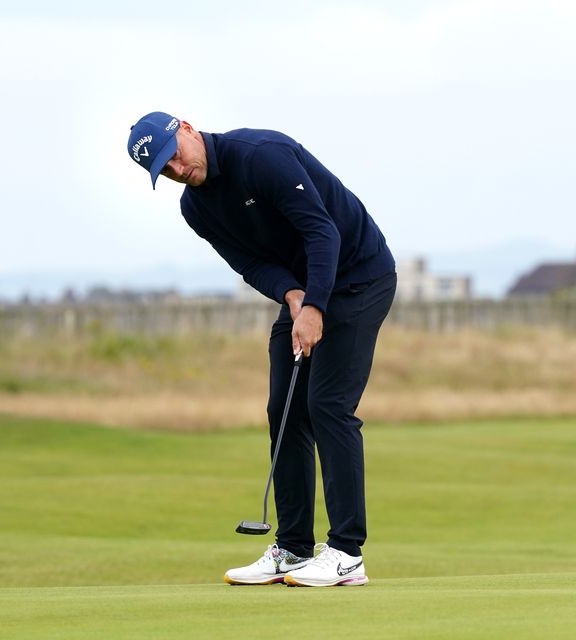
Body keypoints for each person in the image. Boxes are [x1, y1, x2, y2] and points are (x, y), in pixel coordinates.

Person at [127, 111, 396, 587]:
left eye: (175, 156)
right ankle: (293, 549)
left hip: (359, 277)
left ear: (186, 128)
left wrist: (313, 303)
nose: (177, 170)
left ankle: (347, 554)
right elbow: (249, 262)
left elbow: (322, 231)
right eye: (164, 170)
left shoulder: (261, 157)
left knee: (328, 406)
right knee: (286, 409)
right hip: (305, 291)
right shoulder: (196, 209)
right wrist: (294, 297)